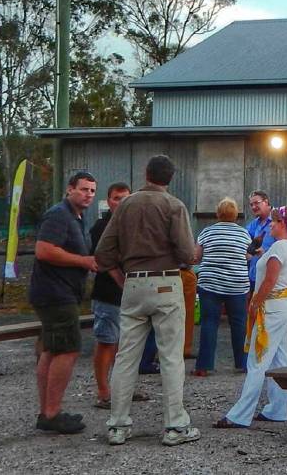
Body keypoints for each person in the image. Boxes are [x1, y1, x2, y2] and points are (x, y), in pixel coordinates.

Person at [95, 155, 200, 447]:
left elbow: (103, 254)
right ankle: (175, 425)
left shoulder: (125, 205)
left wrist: (125, 274)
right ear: (170, 178)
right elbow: (186, 254)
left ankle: (117, 425)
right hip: (166, 281)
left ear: (146, 174)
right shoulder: (174, 206)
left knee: (126, 356)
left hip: (133, 283)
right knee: (170, 356)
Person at [215, 205, 287, 428]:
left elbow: (269, 281)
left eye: (274, 221)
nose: (270, 225)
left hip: (271, 307)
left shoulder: (279, 248)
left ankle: (240, 415)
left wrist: (254, 304)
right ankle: (277, 408)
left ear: (282, 223)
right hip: (286, 305)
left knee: (257, 360)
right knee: (280, 358)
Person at [30, 171, 98, 434]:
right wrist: (84, 261)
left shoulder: (77, 217)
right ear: (70, 189)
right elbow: (44, 250)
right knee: (68, 350)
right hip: (55, 294)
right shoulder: (58, 214)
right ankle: (51, 413)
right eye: (83, 189)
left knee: (52, 349)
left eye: (92, 191)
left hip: (62, 292)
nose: (88, 194)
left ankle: (48, 411)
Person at [89, 182, 151, 409]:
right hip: (108, 294)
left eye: (125, 198)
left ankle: (124, 387)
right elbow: (102, 259)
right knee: (107, 342)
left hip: (132, 294)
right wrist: (122, 282)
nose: (121, 202)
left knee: (128, 345)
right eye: (116, 198)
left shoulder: (133, 225)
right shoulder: (100, 227)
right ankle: (104, 392)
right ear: (109, 201)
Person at [193, 197, 252, 376]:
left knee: (209, 322)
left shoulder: (207, 232)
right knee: (239, 323)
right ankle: (242, 364)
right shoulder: (244, 234)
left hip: (210, 283)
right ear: (236, 215)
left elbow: (197, 256)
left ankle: (203, 366)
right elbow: (248, 257)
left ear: (218, 214)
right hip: (237, 285)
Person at [245, 190, 275, 289]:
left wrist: (265, 254)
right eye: (251, 204)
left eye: (256, 203)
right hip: (254, 276)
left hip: (272, 277)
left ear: (266, 202)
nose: (253, 207)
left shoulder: (279, 219)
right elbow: (244, 239)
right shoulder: (254, 224)